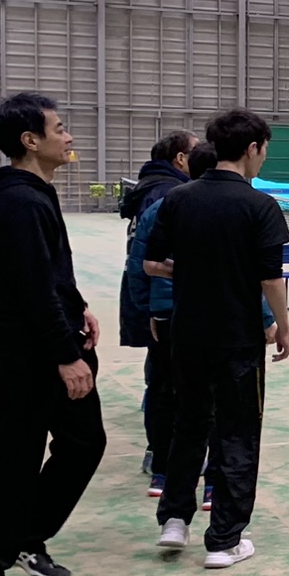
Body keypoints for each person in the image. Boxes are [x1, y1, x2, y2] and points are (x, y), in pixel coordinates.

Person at [0, 93, 107, 576]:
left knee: (83, 443)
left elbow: (50, 271)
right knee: (11, 463)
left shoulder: (36, 193)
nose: (69, 137)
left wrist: (78, 308)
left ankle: (23, 536)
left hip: (48, 341)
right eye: (59, 128)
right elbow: (31, 289)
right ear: (30, 141)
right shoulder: (18, 202)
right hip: (26, 355)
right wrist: (66, 354)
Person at [145, 109, 289, 568]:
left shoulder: (178, 199)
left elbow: (151, 263)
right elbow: (270, 278)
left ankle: (174, 519)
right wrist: (284, 327)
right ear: (252, 149)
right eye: (264, 150)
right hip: (238, 339)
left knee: (189, 425)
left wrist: (194, 272)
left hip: (187, 335)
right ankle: (224, 540)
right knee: (237, 433)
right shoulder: (260, 206)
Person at [119, 130, 196, 496]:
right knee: (173, 385)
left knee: (161, 380)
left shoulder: (151, 187)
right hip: (172, 307)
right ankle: (164, 458)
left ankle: (163, 458)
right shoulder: (169, 195)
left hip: (159, 306)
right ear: (181, 158)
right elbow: (148, 261)